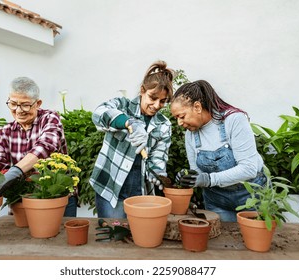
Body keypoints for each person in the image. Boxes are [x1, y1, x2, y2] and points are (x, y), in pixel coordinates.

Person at [170, 80, 266, 222]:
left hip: (250, 197)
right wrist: (189, 177)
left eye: (182, 116)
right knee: (221, 241)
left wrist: (209, 179)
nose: (179, 123)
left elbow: (249, 169)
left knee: (253, 242)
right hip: (216, 201)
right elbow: (198, 173)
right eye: (176, 118)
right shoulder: (190, 134)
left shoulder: (234, 120)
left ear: (197, 107)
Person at [90, 61, 174, 218]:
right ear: (142, 90)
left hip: (140, 191)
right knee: (114, 236)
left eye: (162, 101)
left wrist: (157, 173)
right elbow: (98, 114)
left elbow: (158, 157)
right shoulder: (122, 106)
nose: (156, 105)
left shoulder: (164, 125)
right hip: (110, 186)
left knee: (139, 236)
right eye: (153, 97)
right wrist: (129, 122)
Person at [0, 76, 77, 216]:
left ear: (38, 103)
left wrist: (14, 172)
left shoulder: (50, 118)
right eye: (13, 104)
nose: (18, 110)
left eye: (25, 104)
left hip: (58, 198)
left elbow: (45, 147)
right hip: (21, 201)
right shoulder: (5, 132)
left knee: (61, 236)